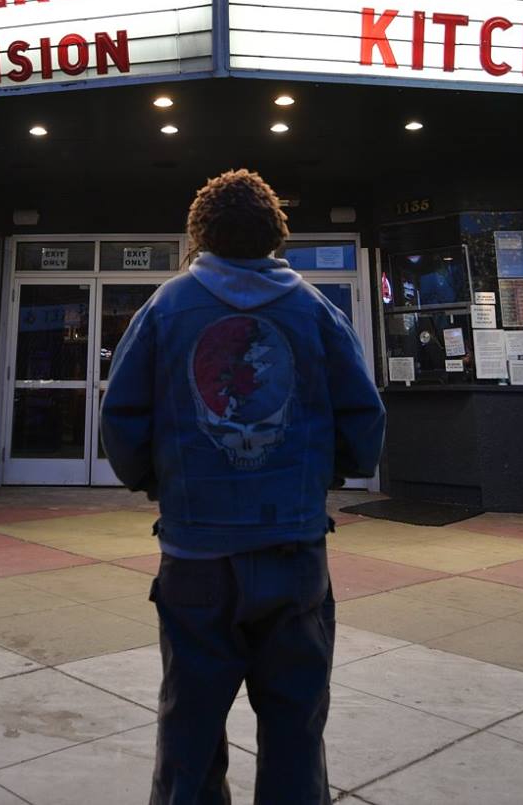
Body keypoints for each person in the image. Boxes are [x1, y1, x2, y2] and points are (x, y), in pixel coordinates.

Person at [100, 168, 386, 805]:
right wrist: (323, 477)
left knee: (190, 726)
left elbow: (121, 419)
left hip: (195, 555)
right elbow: (364, 419)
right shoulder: (315, 309)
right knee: (295, 726)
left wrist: (156, 481)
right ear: (276, 236)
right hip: (294, 550)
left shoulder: (166, 307)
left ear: (199, 235)